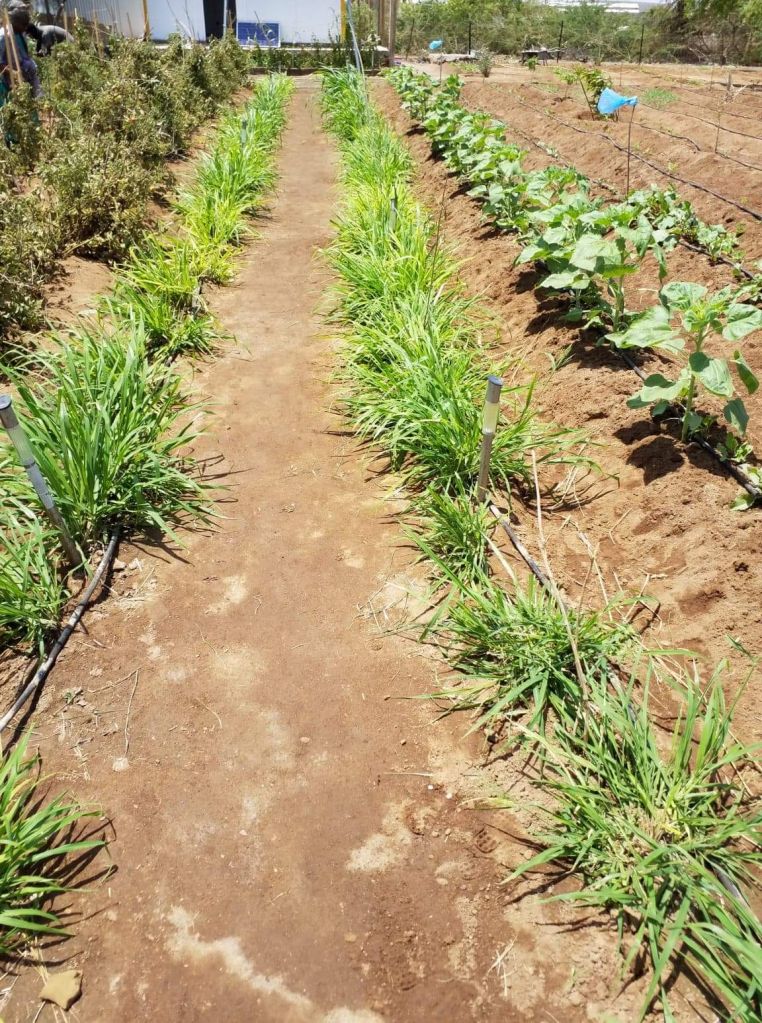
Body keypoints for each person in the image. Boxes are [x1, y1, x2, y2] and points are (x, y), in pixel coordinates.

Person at [0, 1, 42, 107]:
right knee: (15, 110)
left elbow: (23, 54)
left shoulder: (20, 33)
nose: (25, 28)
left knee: (32, 106)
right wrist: (13, 73)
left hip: (25, 78)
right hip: (9, 83)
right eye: (24, 25)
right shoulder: (3, 36)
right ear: (15, 22)